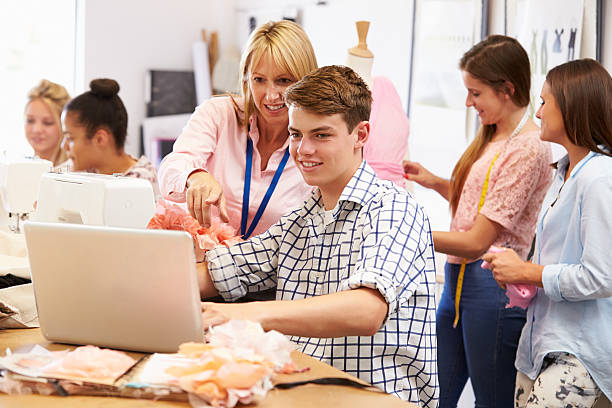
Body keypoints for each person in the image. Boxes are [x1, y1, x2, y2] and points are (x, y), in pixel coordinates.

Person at [196, 65, 438, 407]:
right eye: (296, 135)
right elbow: (222, 272)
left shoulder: (393, 209)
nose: (303, 149)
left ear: (361, 135)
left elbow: (366, 310)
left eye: (321, 135)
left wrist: (249, 314)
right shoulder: (300, 220)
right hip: (305, 394)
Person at [403, 35, 552, 407]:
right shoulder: (494, 137)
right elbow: (481, 204)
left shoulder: (528, 148)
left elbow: (476, 241)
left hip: (490, 286)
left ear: (507, 89)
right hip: (457, 281)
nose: (469, 103)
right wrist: (435, 181)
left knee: (491, 400)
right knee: (433, 397)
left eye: (475, 93)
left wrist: (403, 229)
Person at [483, 58, 612, 408]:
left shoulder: (599, 178)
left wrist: (527, 272)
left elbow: (601, 277)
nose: (537, 114)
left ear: (570, 106)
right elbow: (557, 264)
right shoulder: (565, 172)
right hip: (540, 345)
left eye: (544, 102)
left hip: (577, 354)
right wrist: (515, 275)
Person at [158, 20, 317, 238]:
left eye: (283, 81)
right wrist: (194, 176)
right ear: (246, 78)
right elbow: (172, 167)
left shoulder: (314, 145)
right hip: (203, 264)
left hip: (267, 271)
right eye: (259, 80)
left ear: (305, 80)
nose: (270, 95)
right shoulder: (218, 114)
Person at [62, 78, 160, 199]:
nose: (64, 146)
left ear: (100, 139)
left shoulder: (140, 182)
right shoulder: (87, 168)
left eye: (70, 138)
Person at [345, 21, 410, 188]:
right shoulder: (333, 91)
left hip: (397, 196)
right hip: (348, 194)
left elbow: (404, 153)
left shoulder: (388, 88)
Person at [24, 79, 70, 168]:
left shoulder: (74, 173)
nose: (37, 130)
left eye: (47, 123)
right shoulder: (22, 167)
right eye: (30, 120)